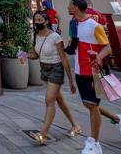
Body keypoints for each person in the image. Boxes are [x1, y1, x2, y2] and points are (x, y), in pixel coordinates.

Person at [69, 0, 121, 154]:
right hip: (79, 69)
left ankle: (94, 143)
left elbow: (108, 48)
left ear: (75, 7)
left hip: (93, 71)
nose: (68, 7)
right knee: (88, 104)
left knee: (92, 105)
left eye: (70, 4)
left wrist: (98, 57)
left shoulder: (94, 26)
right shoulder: (75, 24)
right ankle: (118, 119)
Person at [28, 11, 80, 145]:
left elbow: (64, 58)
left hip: (56, 69)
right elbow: (36, 55)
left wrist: (70, 80)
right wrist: (25, 55)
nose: (37, 22)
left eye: (40, 19)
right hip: (44, 69)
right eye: (36, 20)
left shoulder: (55, 37)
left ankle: (43, 135)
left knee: (49, 100)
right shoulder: (36, 36)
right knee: (60, 100)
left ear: (46, 21)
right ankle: (75, 125)